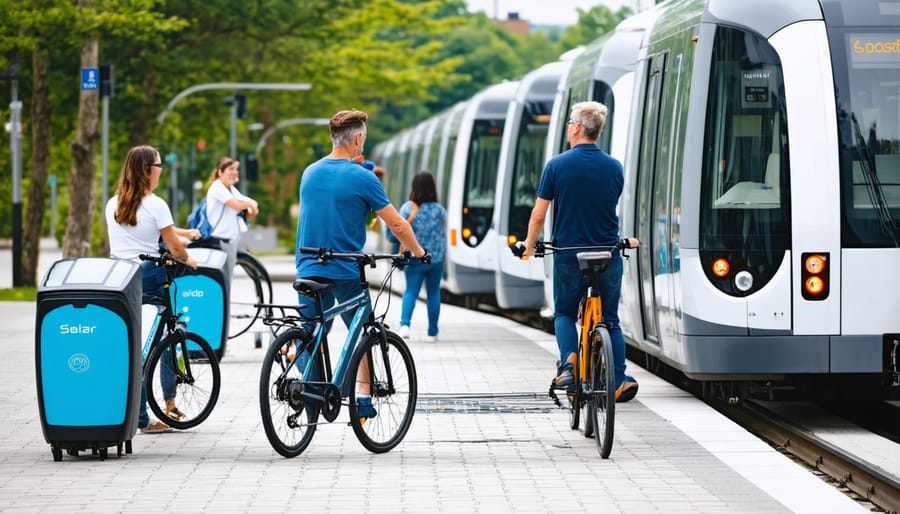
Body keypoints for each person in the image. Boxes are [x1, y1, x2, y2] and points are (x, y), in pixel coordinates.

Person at [295, 109, 428, 420]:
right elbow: (398, 225)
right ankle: (363, 399)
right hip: (344, 270)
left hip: (307, 267)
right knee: (364, 328)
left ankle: (307, 385)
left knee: (309, 331)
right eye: (363, 139)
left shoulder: (309, 172)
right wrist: (419, 252)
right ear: (356, 139)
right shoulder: (363, 177)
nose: (363, 144)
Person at [518, 101, 640, 403]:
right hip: (607, 254)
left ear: (576, 128)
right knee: (610, 320)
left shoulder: (556, 166)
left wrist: (529, 246)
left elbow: (538, 214)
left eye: (569, 122)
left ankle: (569, 366)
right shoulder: (614, 167)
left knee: (564, 312)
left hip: (569, 254)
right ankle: (618, 380)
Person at [105, 145, 199, 433]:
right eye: (158, 166)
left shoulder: (113, 203)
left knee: (133, 343)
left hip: (119, 279)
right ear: (148, 171)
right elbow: (174, 247)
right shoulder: (156, 204)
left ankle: (145, 410)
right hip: (148, 277)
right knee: (156, 342)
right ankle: (148, 415)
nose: (161, 171)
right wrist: (189, 260)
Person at [385, 171, 447, 342]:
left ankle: (405, 326)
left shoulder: (408, 207)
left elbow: (396, 229)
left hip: (415, 256)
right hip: (437, 258)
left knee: (411, 291)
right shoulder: (440, 210)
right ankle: (432, 332)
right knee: (433, 293)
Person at [203, 157, 259, 281]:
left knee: (232, 275)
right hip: (219, 240)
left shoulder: (232, 190)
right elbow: (237, 205)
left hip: (231, 239)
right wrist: (251, 204)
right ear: (220, 172)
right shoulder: (217, 187)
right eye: (231, 169)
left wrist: (252, 207)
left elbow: (247, 211)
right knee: (224, 277)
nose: (235, 172)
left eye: (236, 169)